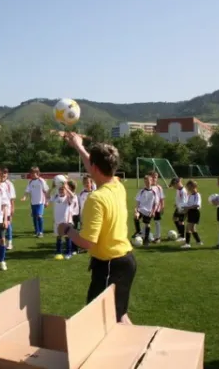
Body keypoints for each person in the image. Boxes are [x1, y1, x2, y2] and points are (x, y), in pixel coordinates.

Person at [58, 132, 136, 324]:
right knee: (119, 315)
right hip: (125, 261)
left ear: (94, 167)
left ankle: (133, 352)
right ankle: (143, 351)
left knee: (102, 321)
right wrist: (79, 146)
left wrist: (67, 229)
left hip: (109, 265)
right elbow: (95, 166)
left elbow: (87, 242)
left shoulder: (96, 198)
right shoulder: (117, 185)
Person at [50, 180, 75, 260]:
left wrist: (66, 188)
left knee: (67, 237)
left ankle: (69, 253)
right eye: (60, 189)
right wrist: (52, 187)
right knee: (58, 238)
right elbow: (47, 196)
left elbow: (73, 196)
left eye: (63, 189)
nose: (61, 190)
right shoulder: (56, 196)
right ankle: (58, 252)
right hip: (57, 222)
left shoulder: (68, 197)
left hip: (66, 222)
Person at [21, 167, 49, 238]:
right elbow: (27, 191)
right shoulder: (30, 182)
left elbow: (46, 191)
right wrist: (24, 197)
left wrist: (47, 201)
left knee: (39, 216)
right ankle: (37, 231)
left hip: (40, 202)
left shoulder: (41, 181)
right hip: (33, 203)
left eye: (33, 173)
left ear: (37, 173)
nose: (32, 174)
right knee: (34, 217)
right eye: (31, 173)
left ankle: (41, 232)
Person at [132, 174, 157, 247]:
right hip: (140, 209)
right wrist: (136, 211)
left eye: (148, 181)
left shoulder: (154, 192)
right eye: (146, 182)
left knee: (147, 225)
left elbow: (155, 203)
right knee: (135, 217)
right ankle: (138, 231)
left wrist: (153, 211)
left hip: (148, 211)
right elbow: (137, 202)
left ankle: (146, 240)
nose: (147, 183)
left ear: (151, 181)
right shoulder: (141, 191)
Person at [181, 180, 203, 249]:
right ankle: (199, 241)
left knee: (188, 228)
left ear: (194, 187)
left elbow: (196, 205)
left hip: (195, 212)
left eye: (189, 188)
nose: (188, 189)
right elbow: (188, 204)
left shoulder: (197, 195)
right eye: (188, 188)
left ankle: (187, 244)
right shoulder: (190, 196)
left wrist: (188, 208)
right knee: (193, 229)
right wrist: (185, 210)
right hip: (191, 212)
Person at [1, 168, 16, 250]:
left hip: (8, 209)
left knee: (8, 226)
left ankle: (9, 242)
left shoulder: (9, 184)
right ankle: (1, 242)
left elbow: (12, 199)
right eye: (2, 173)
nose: (3, 175)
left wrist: (12, 209)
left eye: (5, 173)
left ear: (7, 175)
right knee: (0, 227)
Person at [170, 177, 188, 242]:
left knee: (181, 222)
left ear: (177, 183)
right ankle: (180, 233)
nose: (174, 187)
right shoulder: (178, 190)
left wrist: (182, 210)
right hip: (178, 207)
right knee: (174, 218)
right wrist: (176, 203)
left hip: (182, 209)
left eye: (174, 185)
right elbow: (178, 199)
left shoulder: (183, 191)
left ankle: (182, 236)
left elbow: (184, 201)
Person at [150, 171, 165, 243]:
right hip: (148, 208)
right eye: (152, 177)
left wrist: (162, 206)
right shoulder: (147, 187)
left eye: (155, 177)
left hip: (157, 208)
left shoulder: (159, 188)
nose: (154, 179)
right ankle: (144, 236)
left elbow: (162, 198)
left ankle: (158, 237)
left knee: (157, 222)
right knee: (146, 223)